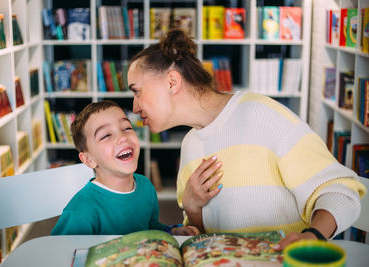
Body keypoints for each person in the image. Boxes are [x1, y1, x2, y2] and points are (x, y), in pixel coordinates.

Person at [127, 29, 367, 250]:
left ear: (172, 82)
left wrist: (313, 236)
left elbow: (341, 191)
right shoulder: (190, 145)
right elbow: (205, 239)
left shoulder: (263, 114)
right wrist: (192, 208)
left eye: (136, 91)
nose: (135, 106)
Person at [51, 100, 199, 236]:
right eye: (106, 135)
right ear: (89, 160)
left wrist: (172, 231)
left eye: (127, 128)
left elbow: (150, 228)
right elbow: (61, 252)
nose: (122, 137)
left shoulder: (146, 187)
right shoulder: (81, 210)